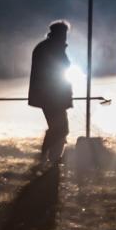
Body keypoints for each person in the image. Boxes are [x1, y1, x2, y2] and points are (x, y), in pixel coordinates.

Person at [28, 20, 73, 162]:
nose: (65, 37)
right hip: (52, 96)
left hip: (53, 95)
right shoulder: (51, 48)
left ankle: (50, 158)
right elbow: (54, 71)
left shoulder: (48, 47)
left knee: (59, 128)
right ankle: (47, 157)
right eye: (64, 33)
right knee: (60, 128)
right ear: (58, 33)